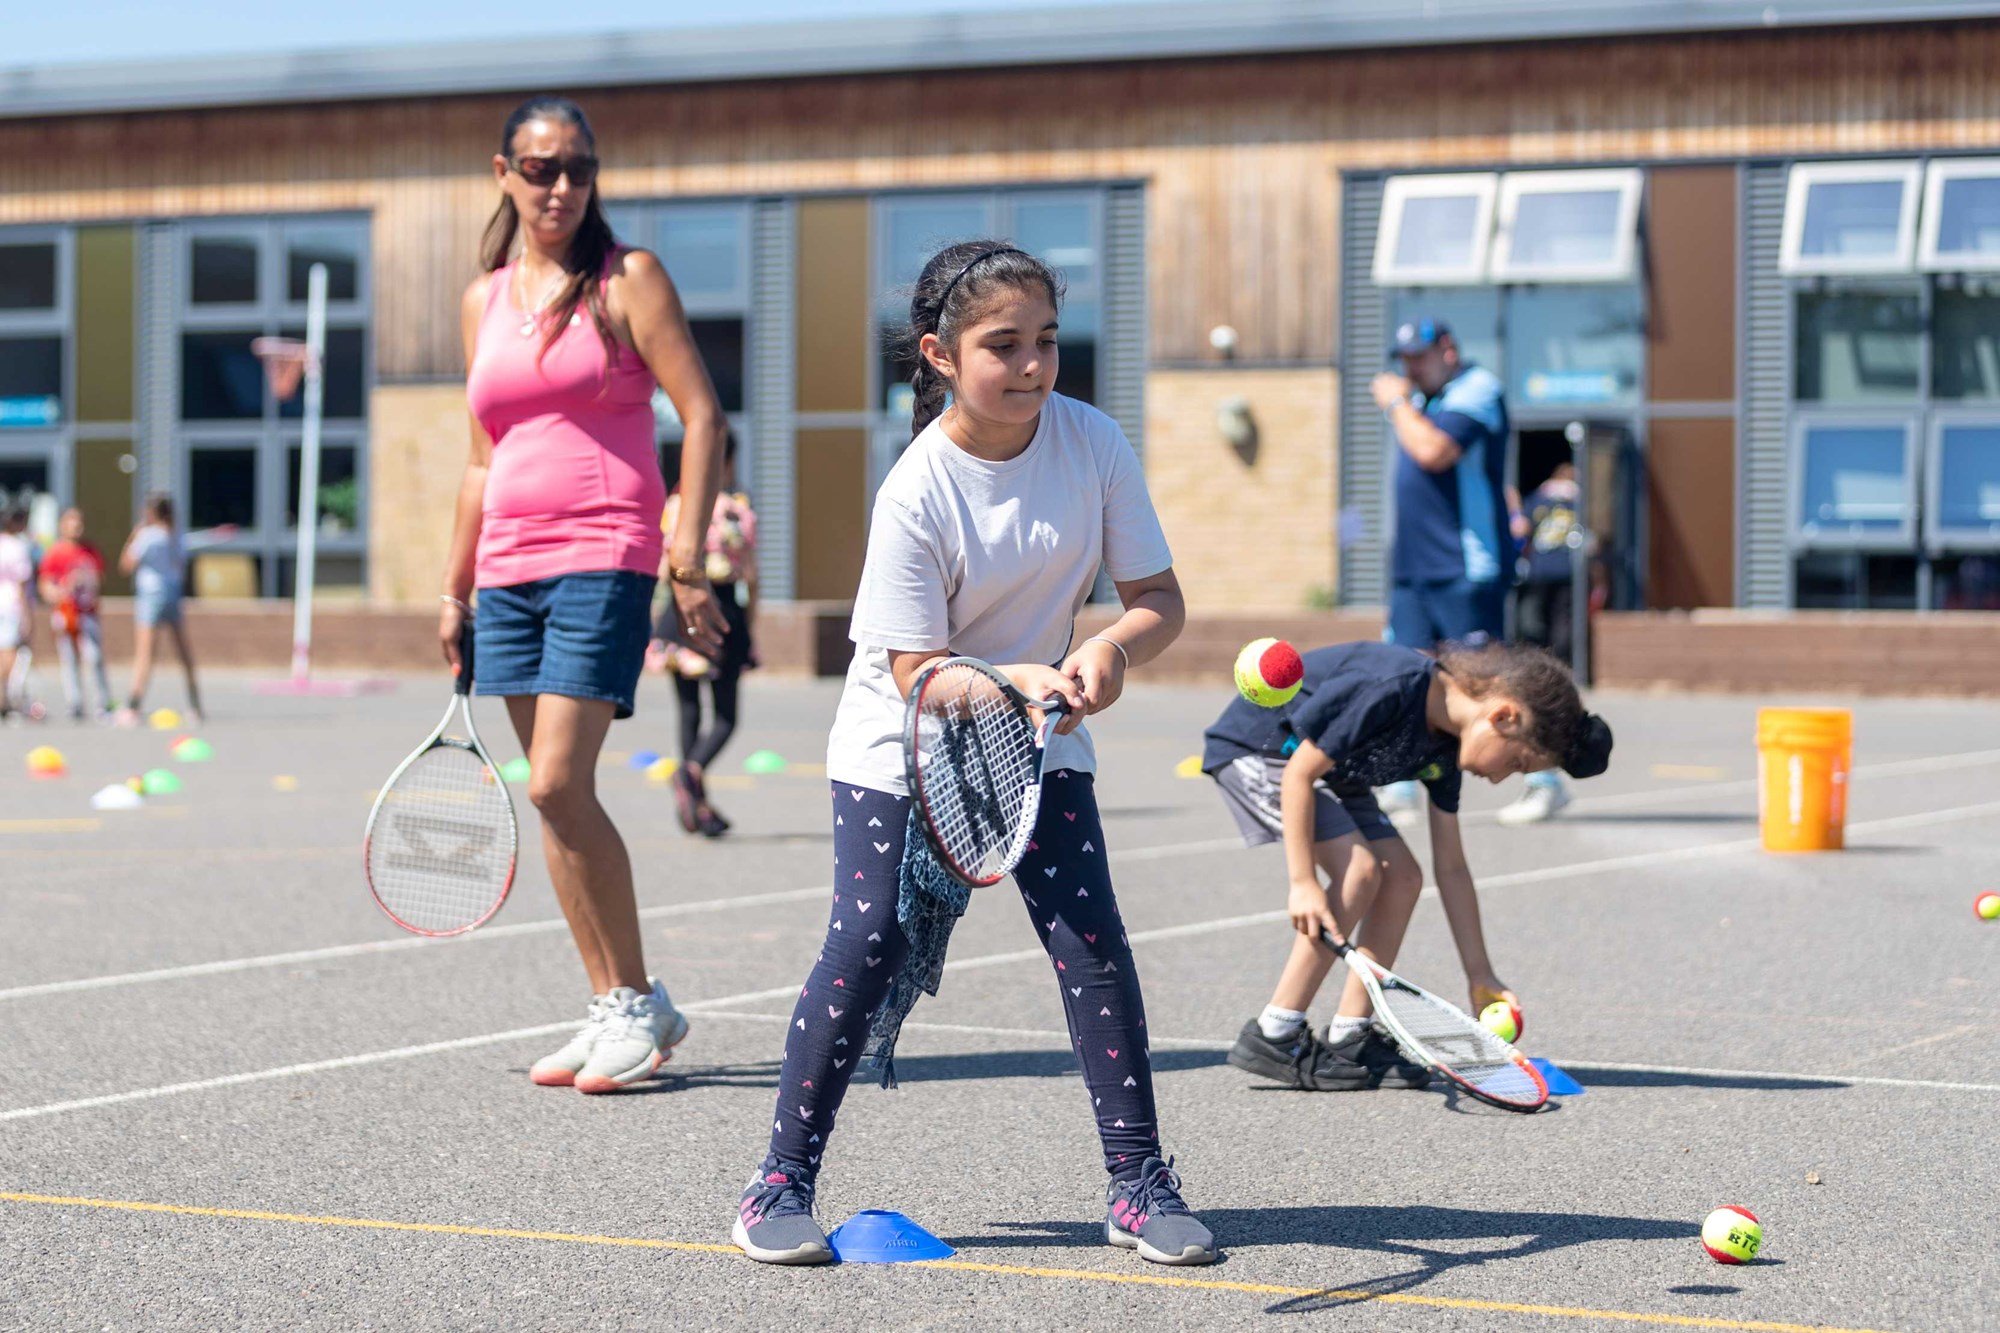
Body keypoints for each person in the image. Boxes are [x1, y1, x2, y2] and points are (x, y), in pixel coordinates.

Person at [730, 241, 1216, 1268]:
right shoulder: (915, 490)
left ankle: (1137, 1183)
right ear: (940, 354)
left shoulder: (1091, 442)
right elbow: (912, 670)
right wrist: (1013, 679)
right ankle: (777, 1182)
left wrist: (1106, 653)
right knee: (864, 941)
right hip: (899, 733)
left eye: (1046, 340)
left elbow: (1158, 604)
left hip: (1034, 724)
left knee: (1090, 939)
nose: (1034, 364)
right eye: (1005, 345)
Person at [445, 94, 729, 1095]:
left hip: (603, 550)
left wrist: (683, 557)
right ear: (503, 174)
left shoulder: (626, 279)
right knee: (554, 801)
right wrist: (454, 589)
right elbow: (483, 460)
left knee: (557, 782)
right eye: (537, 167)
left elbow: (700, 416)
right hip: (507, 570)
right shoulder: (484, 299)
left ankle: (637, 1001)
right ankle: (612, 1001)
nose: (557, 185)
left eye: (574, 167)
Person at [1204, 640, 1612, 1090]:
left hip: (1336, 772)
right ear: (1503, 716)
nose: (1499, 779)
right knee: (1359, 868)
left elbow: (1451, 869)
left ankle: (1350, 1035)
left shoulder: (1445, 751)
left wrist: (1480, 974)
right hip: (1262, 752)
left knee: (1404, 876)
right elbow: (1299, 773)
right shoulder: (1393, 688)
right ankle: (1275, 1031)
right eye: (1515, 763)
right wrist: (1302, 882)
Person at [1370, 318, 1508, 827]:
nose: (1410, 368)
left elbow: (1433, 453)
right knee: (1404, 676)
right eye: (1404, 359)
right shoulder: (1424, 403)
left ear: (1449, 350)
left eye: (1420, 357)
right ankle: (1403, 780)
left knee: (1488, 678)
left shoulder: (1478, 390)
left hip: (1463, 564)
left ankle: (1545, 777)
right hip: (1414, 568)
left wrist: (1395, 403)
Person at [653, 433, 759, 837]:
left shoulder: (674, 507)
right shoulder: (736, 510)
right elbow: (751, 575)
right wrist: (751, 624)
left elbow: (662, 571)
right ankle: (691, 776)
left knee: (689, 711)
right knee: (726, 716)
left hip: (677, 610)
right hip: (723, 609)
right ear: (728, 463)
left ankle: (694, 801)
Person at [117, 494, 219, 724]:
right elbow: (180, 568)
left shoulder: (148, 536)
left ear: (151, 513)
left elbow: (126, 565)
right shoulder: (176, 537)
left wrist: (133, 536)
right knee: (184, 653)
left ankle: (132, 707)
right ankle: (195, 706)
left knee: (145, 654)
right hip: (172, 594)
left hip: (151, 595)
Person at [37, 507, 114, 722]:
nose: (76, 527)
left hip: (88, 612)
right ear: (62, 525)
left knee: (95, 656)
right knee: (69, 659)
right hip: (66, 612)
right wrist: (62, 591)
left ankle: (103, 702)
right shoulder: (55, 552)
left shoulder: (89, 551)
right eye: (71, 522)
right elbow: (45, 585)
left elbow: (100, 579)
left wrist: (87, 581)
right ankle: (75, 703)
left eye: (79, 522)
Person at [0, 505, 31, 723]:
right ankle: (4, 697)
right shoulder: (18, 547)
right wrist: (27, 615)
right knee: (9, 652)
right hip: (10, 605)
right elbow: (21, 584)